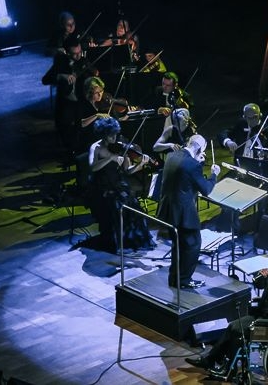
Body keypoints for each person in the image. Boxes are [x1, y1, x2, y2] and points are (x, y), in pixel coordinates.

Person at [185, 245, 268, 375]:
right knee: (232, 326)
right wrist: (261, 276)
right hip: (262, 317)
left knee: (238, 331)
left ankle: (227, 369)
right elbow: (259, 285)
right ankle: (213, 360)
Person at [157, 133, 219, 289]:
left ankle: (174, 279)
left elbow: (184, 176)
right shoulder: (193, 165)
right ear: (199, 149)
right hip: (184, 215)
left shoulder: (171, 156)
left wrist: (196, 161)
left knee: (177, 246)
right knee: (192, 246)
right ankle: (184, 281)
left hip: (168, 210)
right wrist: (214, 175)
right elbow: (206, 189)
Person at [88, 117, 156, 253]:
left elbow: (128, 171)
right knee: (116, 205)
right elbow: (93, 167)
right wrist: (110, 158)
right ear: (103, 134)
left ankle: (129, 240)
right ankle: (116, 242)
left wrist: (140, 164)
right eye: (111, 135)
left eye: (115, 134)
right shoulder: (96, 147)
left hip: (118, 184)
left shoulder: (120, 147)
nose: (114, 138)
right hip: (102, 186)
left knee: (133, 206)